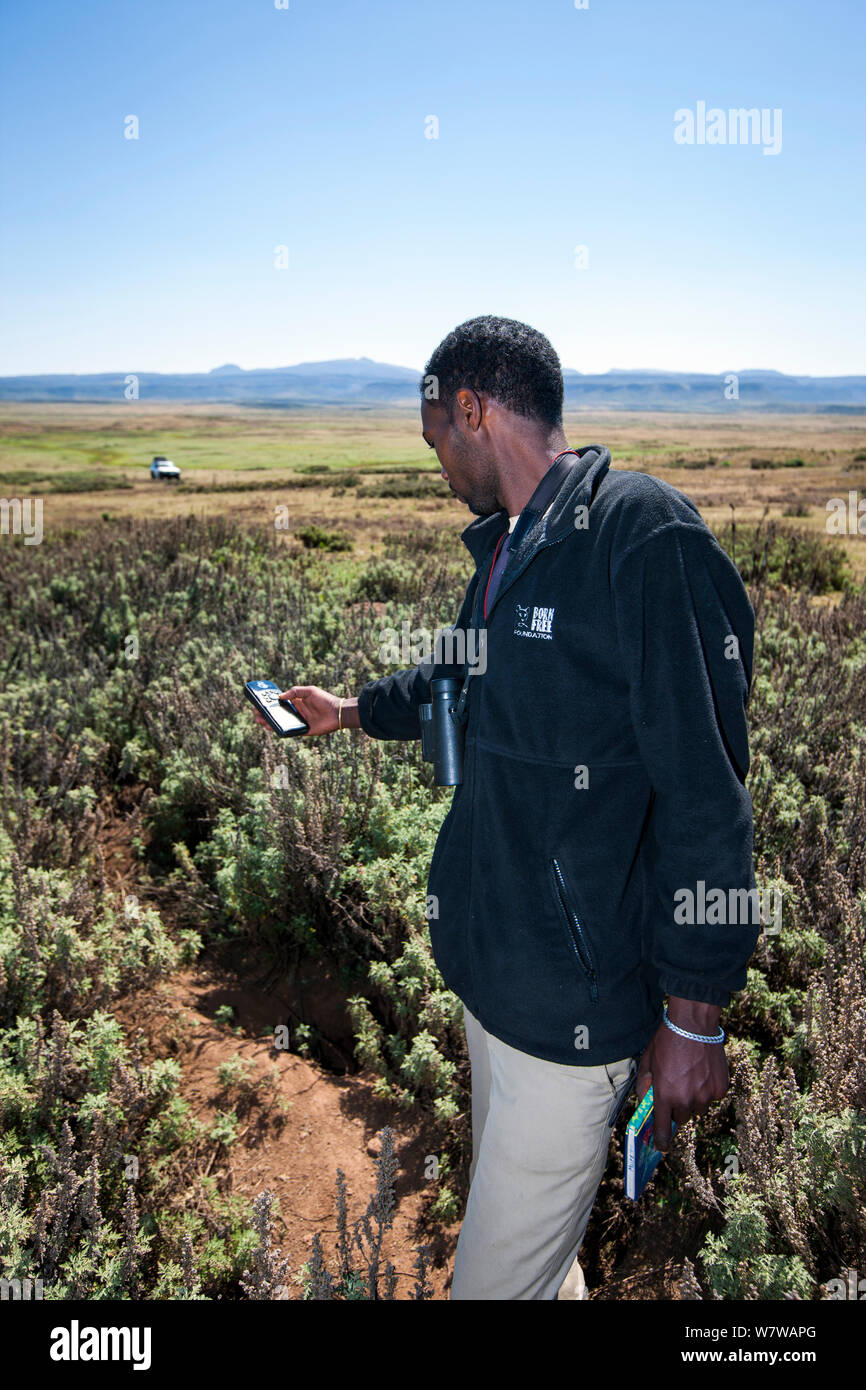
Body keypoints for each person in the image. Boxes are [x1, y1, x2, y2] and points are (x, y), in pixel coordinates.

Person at [252, 315, 760, 1300]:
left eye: (435, 429)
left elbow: (707, 792)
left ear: (474, 408)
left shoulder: (637, 534)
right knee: (535, 1249)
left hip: (572, 1010)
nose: (434, 453)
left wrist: (694, 1019)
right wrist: (347, 711)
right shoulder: (509, 549)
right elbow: (453, 678)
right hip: (496, 980)